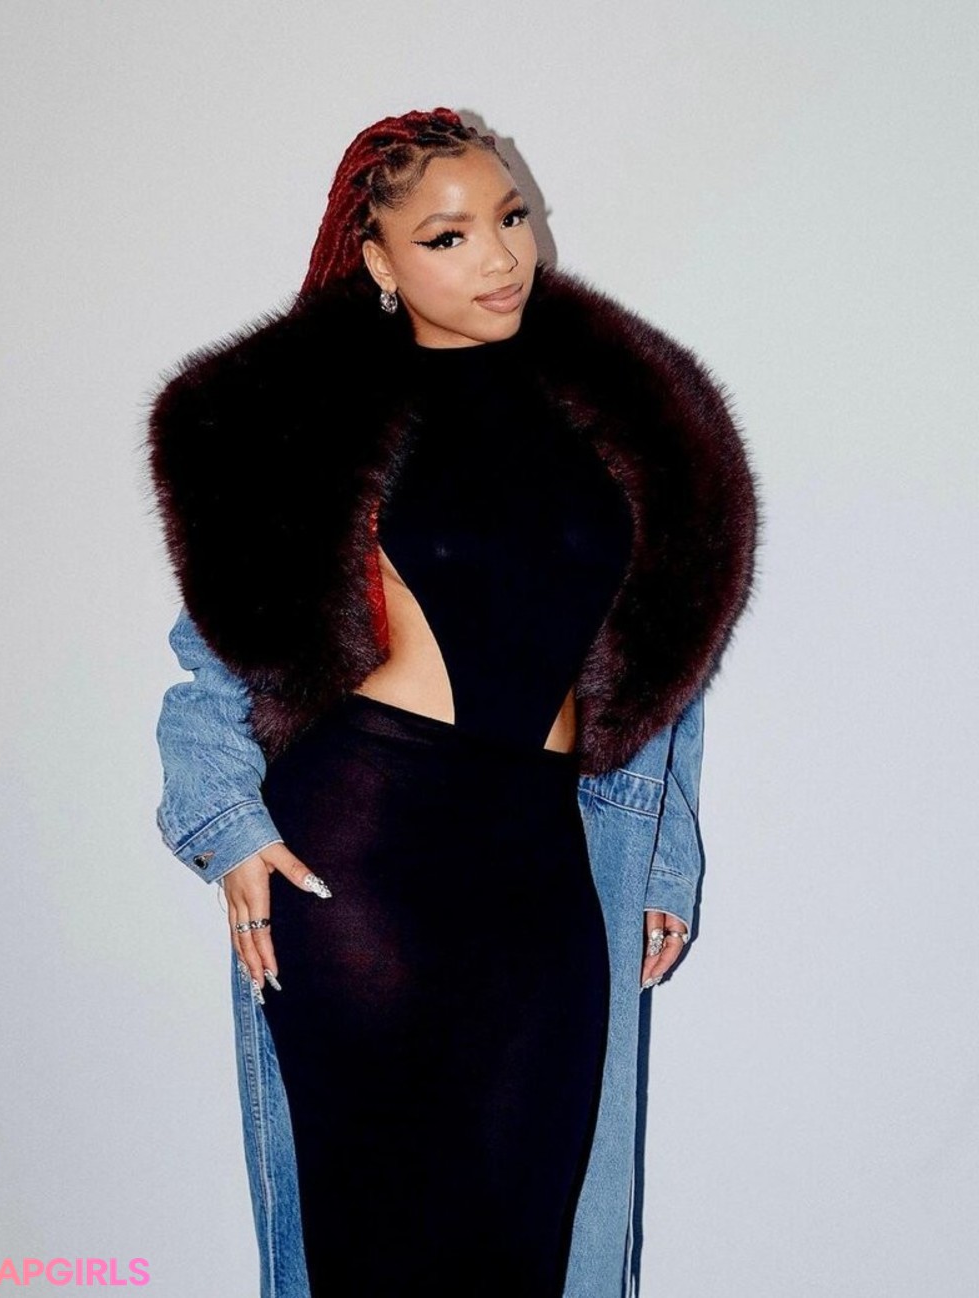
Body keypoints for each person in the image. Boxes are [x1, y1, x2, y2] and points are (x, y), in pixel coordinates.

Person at [147, 107, 758, 1298]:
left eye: (511, 217)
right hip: (365, 863)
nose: (499, 255)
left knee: (536, 1246)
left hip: (548, 869)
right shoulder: (306, 427)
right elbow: (212, 663)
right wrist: (228, 826)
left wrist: (668, 854)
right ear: (376, 261)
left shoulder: (625, 422)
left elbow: (662, 661)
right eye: (448, 235)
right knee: (376, 1258)